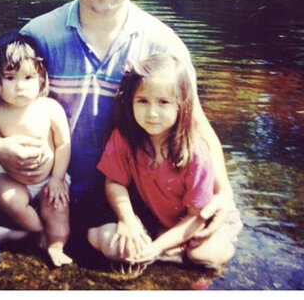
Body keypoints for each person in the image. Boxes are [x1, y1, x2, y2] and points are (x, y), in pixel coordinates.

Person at [0, 0, 241, 265]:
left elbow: (195, 122)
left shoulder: (163, 45)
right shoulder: (38, 36)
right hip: (55, 190)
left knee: (200, 254)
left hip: (132, 194)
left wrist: (223, 191)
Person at [88, 53, 239, 268]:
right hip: (162, 218)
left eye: (163, 102)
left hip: (201, 221)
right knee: (113, 245)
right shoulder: (123, 138)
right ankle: (165, 245)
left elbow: (197, 217)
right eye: (142, 101)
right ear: (129, 101)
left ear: (181, 105)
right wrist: (128, 220)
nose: (152, 113)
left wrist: (156, 247)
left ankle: (181, 246)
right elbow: (115, 182)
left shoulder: (195, 152)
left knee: (204, 256)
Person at [0, 30, 72, 267]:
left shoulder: (50, 108)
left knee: (59, 209)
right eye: (10, 78)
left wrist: (58, 178)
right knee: (8, 198)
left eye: (28, 78)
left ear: (41, 78)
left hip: (48, 178)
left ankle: (56, 245)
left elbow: (64, 143)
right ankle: (37, 231)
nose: (20, 86)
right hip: (13, 178)